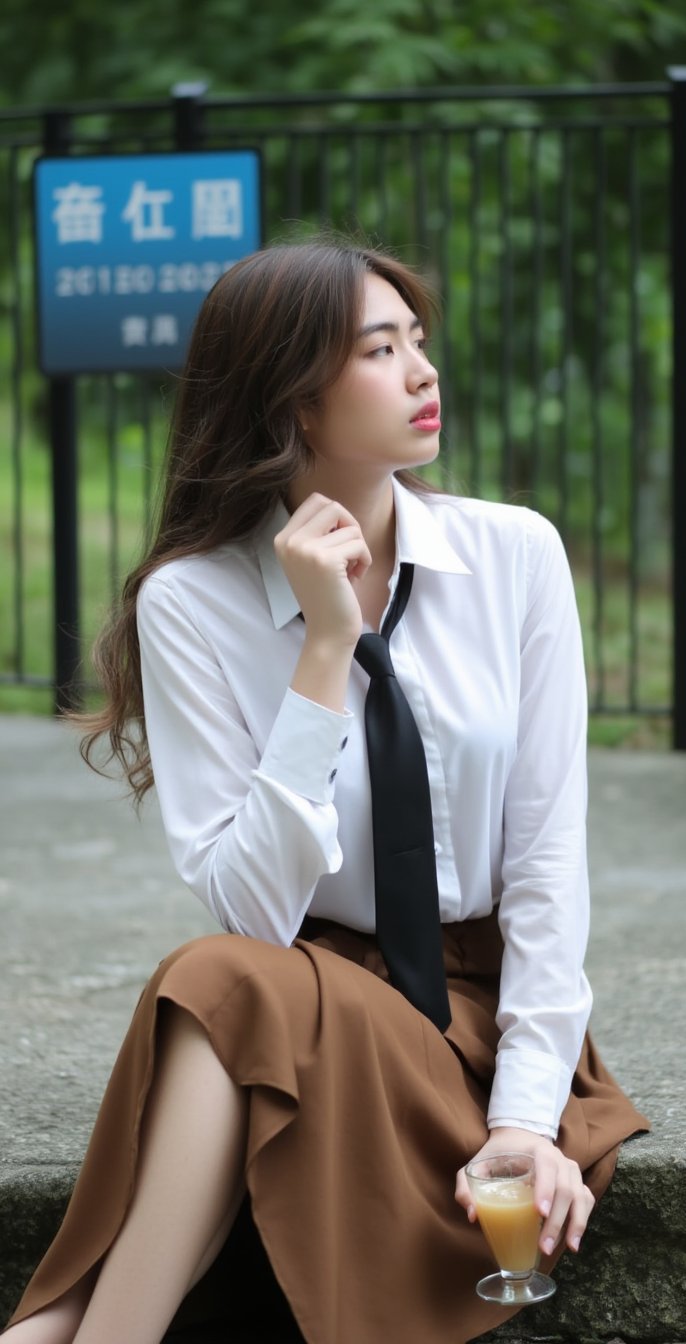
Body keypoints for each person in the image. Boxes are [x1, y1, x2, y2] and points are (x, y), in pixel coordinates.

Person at [4, 236, 648, 1344]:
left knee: (218, 996)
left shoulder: (515, 558)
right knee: (228, 978)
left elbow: (547, 862)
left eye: (419, 343)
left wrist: (525, 1119)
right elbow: (255, 915)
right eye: (379, 348)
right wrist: (321, 655)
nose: (422, 371)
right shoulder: (190, 602)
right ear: (292, 397)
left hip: (485, 1014)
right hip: (312, 987)